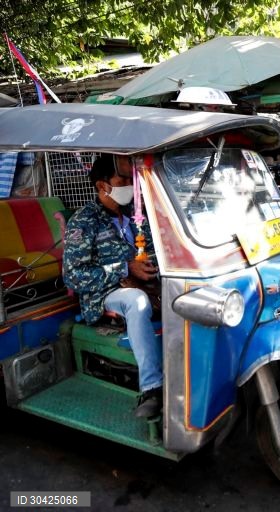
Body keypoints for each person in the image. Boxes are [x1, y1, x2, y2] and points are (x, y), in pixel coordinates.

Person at [63, 155, 163, 418]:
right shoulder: (84, 222)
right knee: (136, 302)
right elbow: (74, 276)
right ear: (102, 186)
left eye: (131, 180)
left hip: (147, 283)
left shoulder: (136, 215)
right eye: (122, 180)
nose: (130, 186)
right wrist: (124, 268)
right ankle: (152, 387)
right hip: (104, 294)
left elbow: (152, 250)